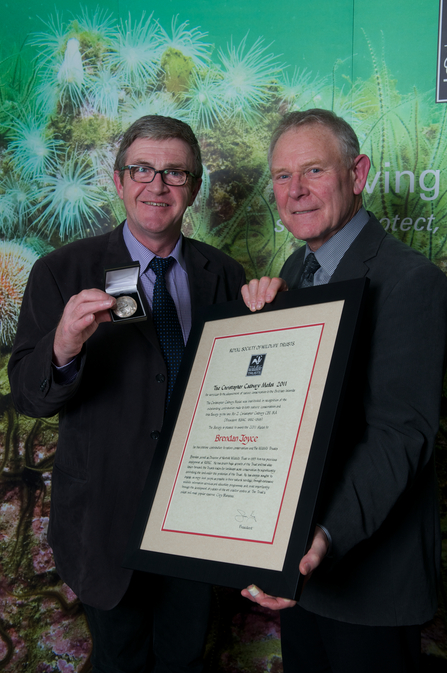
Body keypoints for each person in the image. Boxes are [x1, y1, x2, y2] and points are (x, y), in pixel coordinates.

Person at [8, 115, 279, 673]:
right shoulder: (63, 270)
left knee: (185, 657)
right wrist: (61, 347)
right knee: (119, 659)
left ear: (195, 187)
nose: (157, 184)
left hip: (199, 517)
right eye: (142, 169)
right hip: (105, 519)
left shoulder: (223, 274)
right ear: (118, 180)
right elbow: (31, 396)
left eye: (175, 173)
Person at [241, 109, 447, 672]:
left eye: (313, 170)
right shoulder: (296, 271)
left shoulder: (411, 281)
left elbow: (399, 435)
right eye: (282, 176)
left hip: (367, 581)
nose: (296, 191)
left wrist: (324, 536)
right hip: (303, 576)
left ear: (357, 174)